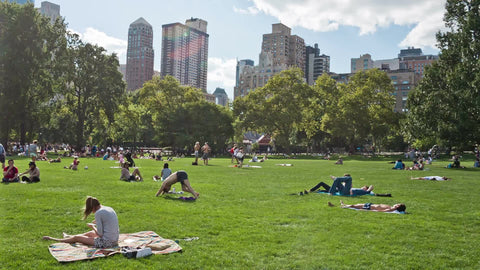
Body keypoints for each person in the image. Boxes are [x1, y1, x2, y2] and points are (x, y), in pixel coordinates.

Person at [43, 196, 119, 248]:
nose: (92, 212)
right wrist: (96, 222)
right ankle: (68, 237)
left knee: (77, 238)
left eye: (91, 210)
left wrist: (92, 227)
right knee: (89, 234)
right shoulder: (108, 208)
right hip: (115, 240)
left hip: (107, 243)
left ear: (93, 207)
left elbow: (100, 234)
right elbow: (108, 221)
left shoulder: (98, 213)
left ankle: (55, 239)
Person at [305, 181, 391, 197]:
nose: (362, 187)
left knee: (322, 184)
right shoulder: (360, 190)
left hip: (338, 190)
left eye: (364, 187)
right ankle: (312, 191)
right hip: (337, 190)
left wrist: (369, 189)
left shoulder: (364, 192)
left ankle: (311, 191)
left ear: (365, 189)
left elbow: (371, 188)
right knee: (322, 190)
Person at [328, 201, 406, 212]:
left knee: (353, 206)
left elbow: (381, 211)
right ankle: (342, 205)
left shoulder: (391, 208)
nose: (396, 204)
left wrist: (366, 210)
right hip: (369, 205)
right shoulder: (390, 207)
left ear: (397, 207)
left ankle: (336, 206)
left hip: (368, 207)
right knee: (353, 205)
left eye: (397, 205)